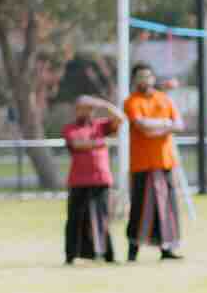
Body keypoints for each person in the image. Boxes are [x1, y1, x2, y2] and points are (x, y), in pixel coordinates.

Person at [122, 63, 185, 260]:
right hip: (142, 165)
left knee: (166, 207)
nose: (145, 80)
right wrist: (166, 125)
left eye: (148, 76)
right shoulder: (132, 101)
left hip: (165, 162)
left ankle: (167, 249)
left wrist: (160, 126)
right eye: (140, 76)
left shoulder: (164, 99)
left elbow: (179, 124)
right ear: (134, 80)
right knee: (141, 209)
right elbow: (142, 126)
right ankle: (133, 250)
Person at [61, 95, 124, 264]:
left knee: (102, 218)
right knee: (75, 219)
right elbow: (77, 144)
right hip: (78, 181)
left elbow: (120, 118)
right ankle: (71, 255)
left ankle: (106, 255)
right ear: (76, 110)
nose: (87, 111)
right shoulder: (70, 128)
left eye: (90, 108)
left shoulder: (100, 126)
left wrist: (103, 103)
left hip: (100, 180)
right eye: (83, 108)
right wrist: (101, 142)